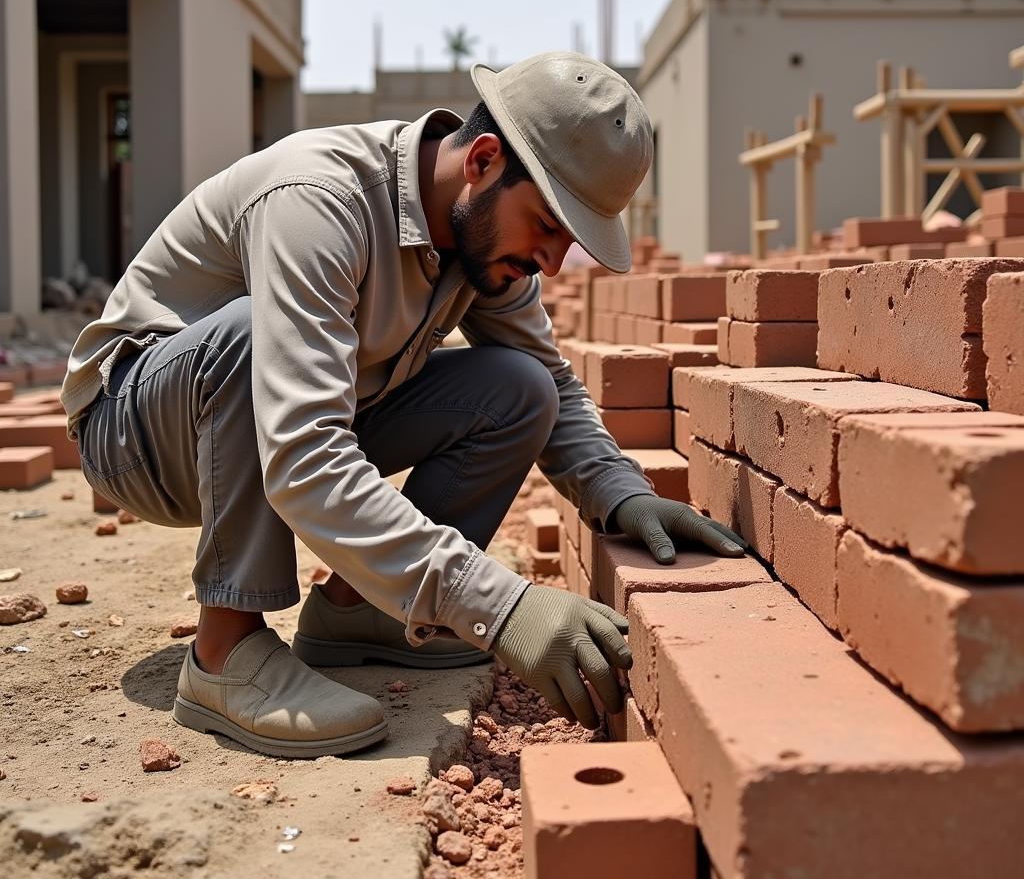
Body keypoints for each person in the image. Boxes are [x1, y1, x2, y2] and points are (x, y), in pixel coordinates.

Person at [61, 52, 746, 759]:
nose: (550, 262)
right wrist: (501, 607)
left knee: (519, 388)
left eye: (567, 242)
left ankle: (365, 616)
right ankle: (222, 656)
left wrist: (623, 496)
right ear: (482, 160)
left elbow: (551, 382)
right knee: (251, 330)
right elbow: (304, 455)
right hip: (137, 428)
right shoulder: (321, 199)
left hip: (283, 416)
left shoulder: (482, 235)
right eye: (546, 225)